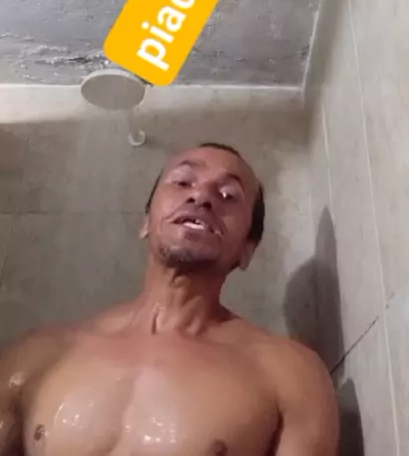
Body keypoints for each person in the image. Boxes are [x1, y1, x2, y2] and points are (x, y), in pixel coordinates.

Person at [0, 142, 339, 455]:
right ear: (145, 222)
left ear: (247, 250)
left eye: (228, 194)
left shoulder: (289, 375)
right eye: (182, 182)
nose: (202, 197)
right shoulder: (39, 356)